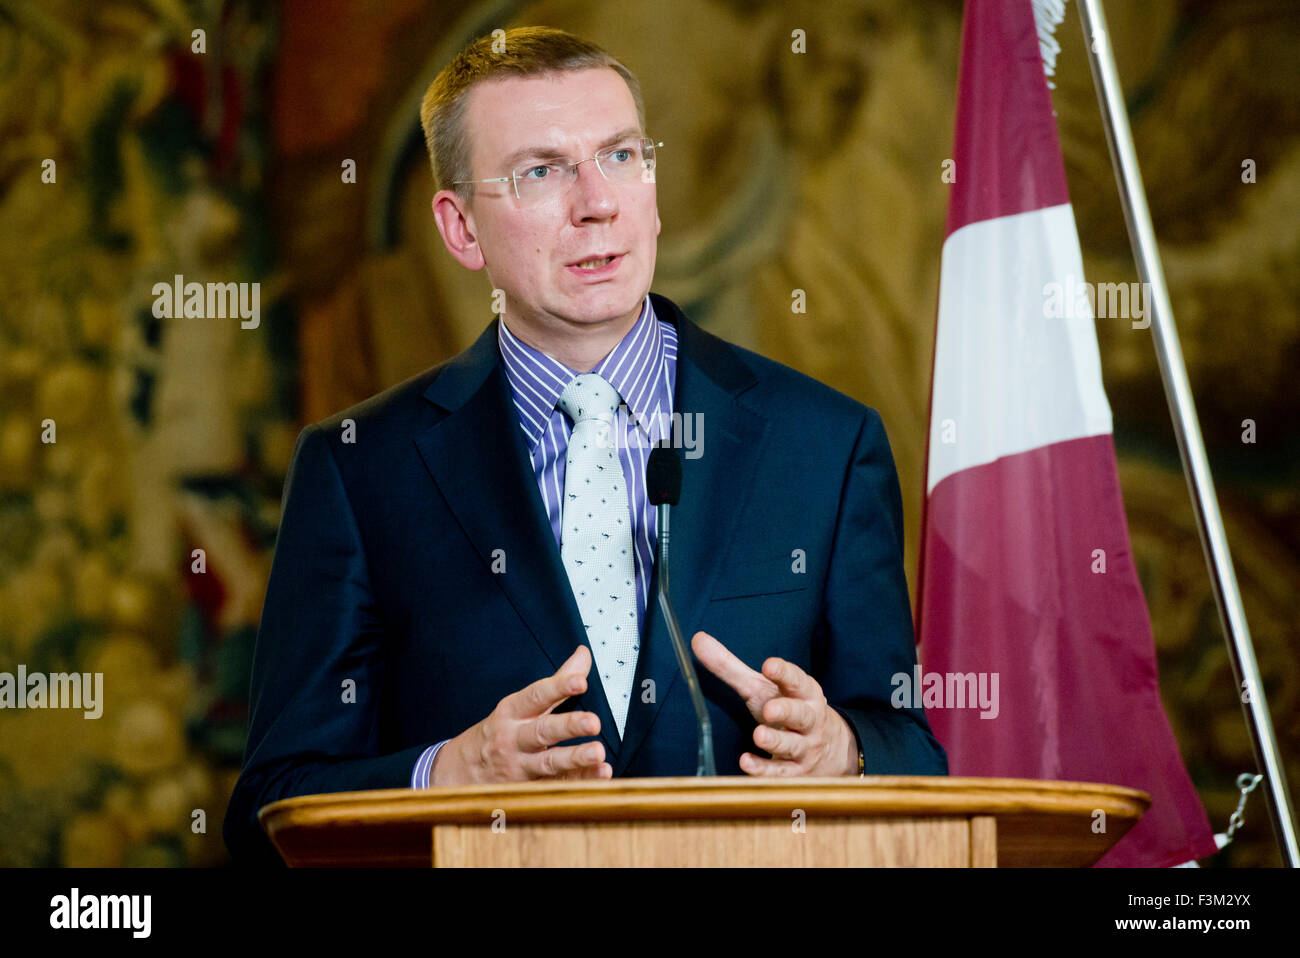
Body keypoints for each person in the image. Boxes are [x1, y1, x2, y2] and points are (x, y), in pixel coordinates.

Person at [223, 26, 946, 866]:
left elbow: (909, 749)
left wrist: (841, 752)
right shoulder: (359, 469)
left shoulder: (823, 443)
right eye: (541, 171)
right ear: (461, 230)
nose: (596, 201)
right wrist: (446, 773)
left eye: (621, 156)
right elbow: (272, 808)